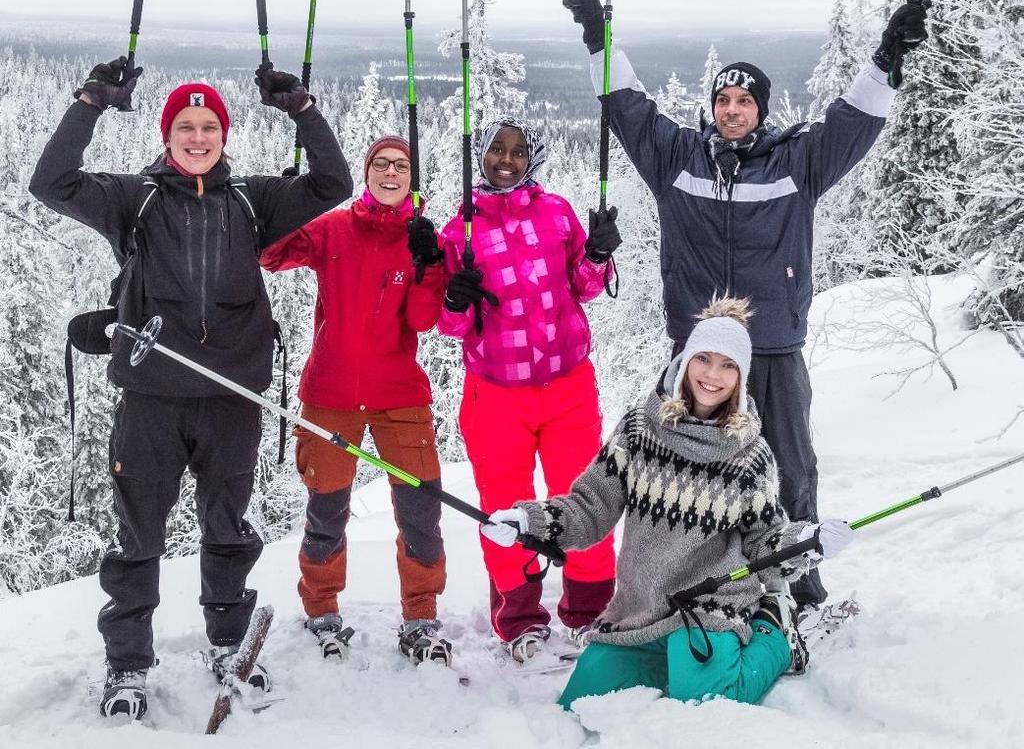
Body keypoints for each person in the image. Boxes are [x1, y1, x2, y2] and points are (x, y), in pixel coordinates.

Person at [562, 0, 928, 613]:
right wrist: (597, 33)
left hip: (775, 347)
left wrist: (887, 57)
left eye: (745, 100)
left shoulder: (798, 162)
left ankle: (800, 593)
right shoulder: (676, 159)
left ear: (760, 109)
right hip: (697, 352)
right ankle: (681, 584)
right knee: (680, 470)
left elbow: (854, 120)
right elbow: (628, 105)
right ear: (713, 108)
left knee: (787, 467)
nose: (732, 110)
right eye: (723, 100)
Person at [29, 56, 351, 721]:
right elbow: (51, 181)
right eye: (185, 125)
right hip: (151, 399)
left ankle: (230, 643)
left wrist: (303, 110)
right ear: (166, 133)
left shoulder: (251, 199)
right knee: (137, 533)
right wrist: (91, 100)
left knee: (228, 529)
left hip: (233, 399)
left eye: (208, 126)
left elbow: (332, 183)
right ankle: (127, 661)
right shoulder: (133, 198)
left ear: (223, 134)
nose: (198, 136)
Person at [481, 297, 855, 712]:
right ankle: (669, 665)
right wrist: (528, 522)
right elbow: (590, 508)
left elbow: (765, 540)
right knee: (577, 705)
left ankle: (775, 635)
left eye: (728, 366)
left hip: (713, 605)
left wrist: (806, 541)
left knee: (709, 702)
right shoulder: (641, 430)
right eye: (704, 359)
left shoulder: (750, 455)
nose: (713, 375)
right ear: (684, 362)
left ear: (741, 378)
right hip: (641, 610)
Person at [259, 134, 451, 665]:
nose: (391, 174)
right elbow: (271, 255)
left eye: (402, 166)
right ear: (366, 174)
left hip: (399, 396)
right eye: (381, 165)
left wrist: (430, 265)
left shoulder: (421, 239)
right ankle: (321, 607)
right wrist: (286, 203)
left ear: (412, 178)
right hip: (332, 393)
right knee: (327, 508)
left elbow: (422, 320)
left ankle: (421, 615)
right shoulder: (335, 227)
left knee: (420, 509)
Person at [437, 117, 621, 662]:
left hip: (568, 384)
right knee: (503, 506)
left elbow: (586, 288)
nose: (507, 160)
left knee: (584, 496)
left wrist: (598, 253)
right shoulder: (460, 231)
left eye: (519, 151)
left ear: (533, 157)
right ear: (482, 155)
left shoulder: (558, 213)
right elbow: (451, 327)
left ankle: (589, 611)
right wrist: (453, 299)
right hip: (496, 393)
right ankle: (519, 618)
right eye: (497, 149)